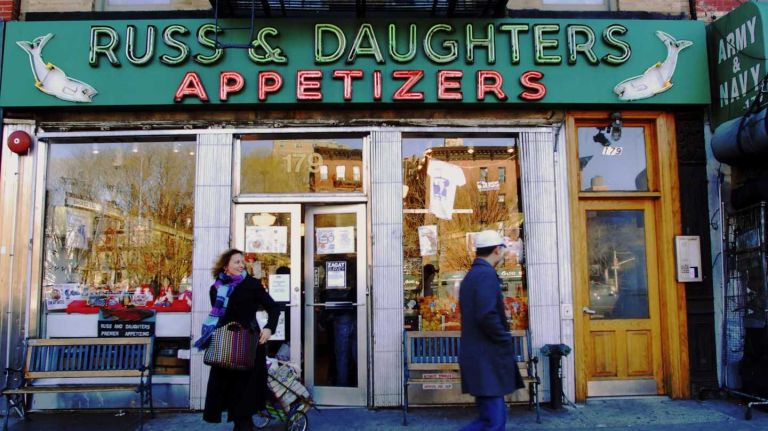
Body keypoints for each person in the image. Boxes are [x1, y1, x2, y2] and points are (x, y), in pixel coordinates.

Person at [195, 249, 279, 431]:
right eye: (237, 262)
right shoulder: (217, 289)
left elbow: (273, 308)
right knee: (231, 392)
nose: (241, 265)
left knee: (245, 394)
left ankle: (243, 424)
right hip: (226, 346)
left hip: (249, 345)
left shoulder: (252, 285)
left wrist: (269, 327)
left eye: (242, 262)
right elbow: (220, 318)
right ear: (226, 266)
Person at [458, 230, 524, 431]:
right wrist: (503, 337)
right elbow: (486, 315)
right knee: (494, 422)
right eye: (503, 249)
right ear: (497, 250)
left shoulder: (472, 275)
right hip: (487, 360)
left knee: (490, 420)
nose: (505, 253)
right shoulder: (485, 275)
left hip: (479, 359)